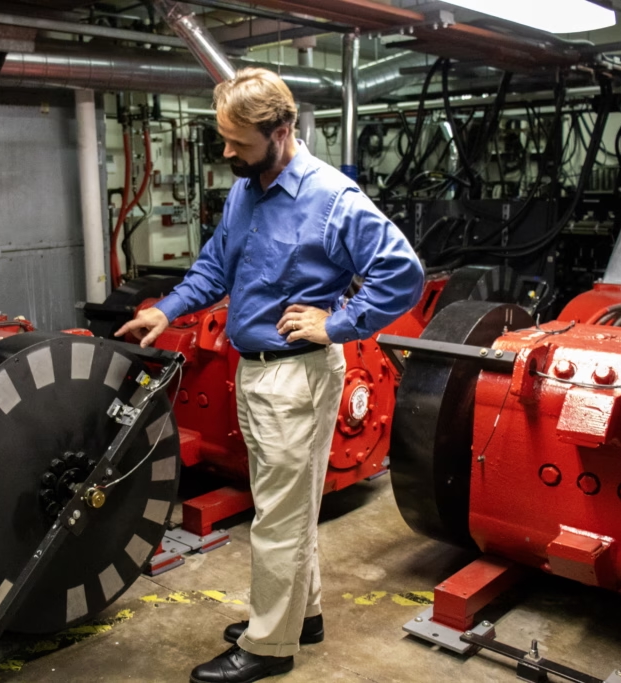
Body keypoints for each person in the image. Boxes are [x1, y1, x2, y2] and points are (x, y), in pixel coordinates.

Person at [116, 67, 424, 683]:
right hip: (256, 373)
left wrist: (336, 324)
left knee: (277, 517)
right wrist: (164, 309)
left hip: (297, 375)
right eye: (223, 139)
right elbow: (214, 268)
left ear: (282, 131)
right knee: (290, 507)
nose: (227, 152)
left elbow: (403, 273)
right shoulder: (247, 188)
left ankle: (268, 647)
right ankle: (299, 617)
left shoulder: (332, 198)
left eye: (239, 142)